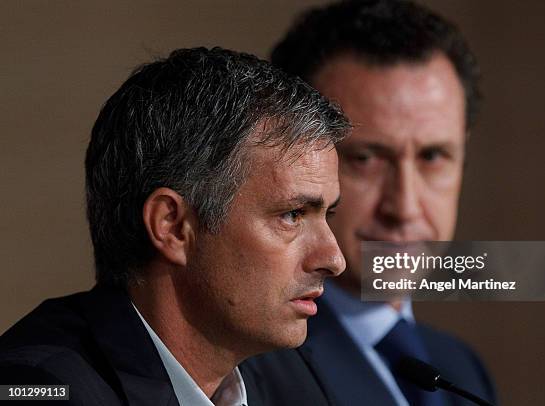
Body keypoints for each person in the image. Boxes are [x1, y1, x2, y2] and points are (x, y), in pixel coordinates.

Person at [0, 46, 350, 405]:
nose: (334, 258)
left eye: (328, 215)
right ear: (172, 226)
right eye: (292, 215)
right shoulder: (40, 388)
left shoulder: (292, 379)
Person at [240, 1, 496, 405]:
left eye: (432, 157)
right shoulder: (244, 374)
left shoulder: (462, 367)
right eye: (365, 159)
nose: (405, 208)